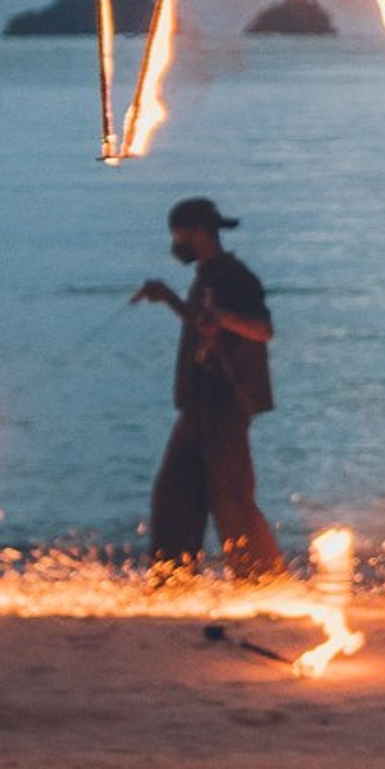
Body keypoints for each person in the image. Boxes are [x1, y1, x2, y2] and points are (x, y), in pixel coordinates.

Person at [131, 196, 288, 584]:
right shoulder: (207, 275)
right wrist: (169, 298)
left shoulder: (236, 277)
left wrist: (225, 318)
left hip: (226, 401)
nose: (176, 245)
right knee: (176, 493)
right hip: (199, 401)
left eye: (179, 236)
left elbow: (263, 329)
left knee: (230, 495)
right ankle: (172, 579)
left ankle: (261, 579)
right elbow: (203, 325)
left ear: (199, 233)